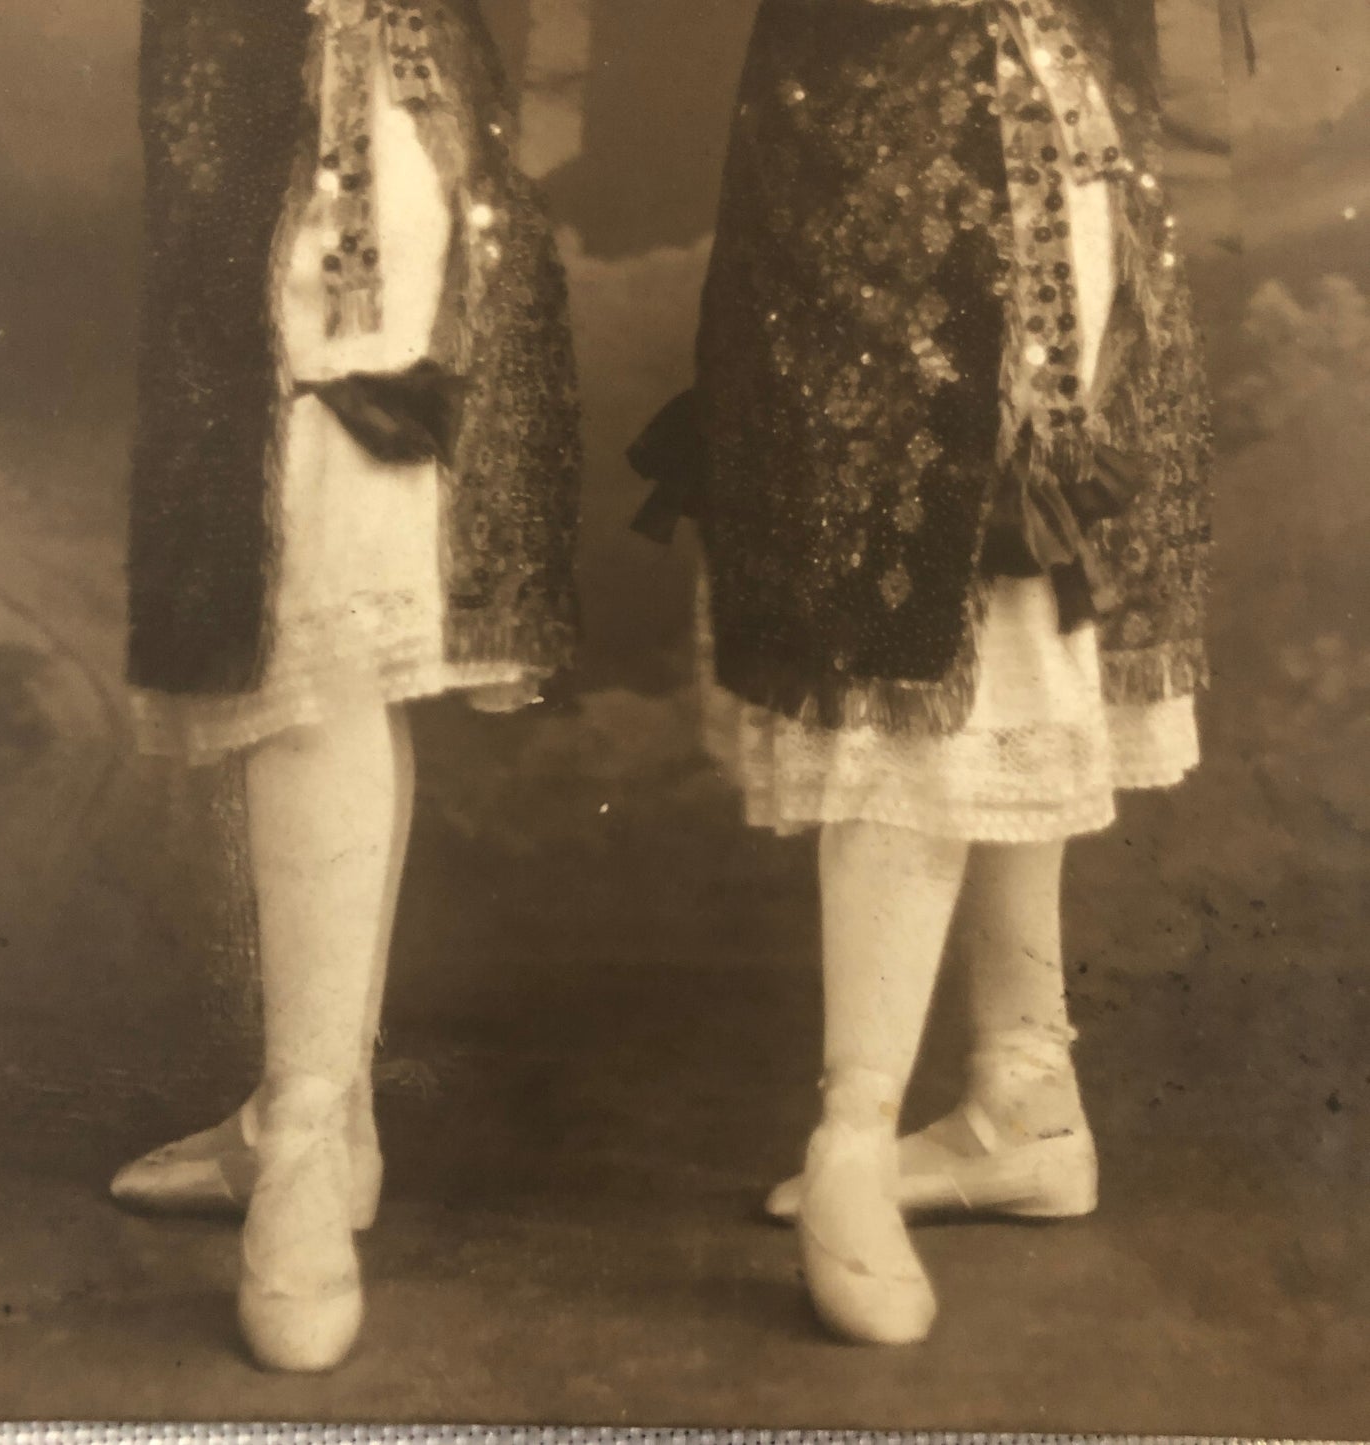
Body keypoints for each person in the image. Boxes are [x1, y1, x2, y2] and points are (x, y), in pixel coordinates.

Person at [630, 0, 1212, 1344]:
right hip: (873, 130)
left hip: (1021, 138)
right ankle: (1020, 1097)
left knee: (979, 610)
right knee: (940, 604)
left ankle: (875, 1128)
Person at [113, 0, 581, 1372]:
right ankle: (318, 1118)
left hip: (386, 126)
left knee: (319, 628)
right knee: (329, 634)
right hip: (258, 92)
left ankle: (308, 1140)